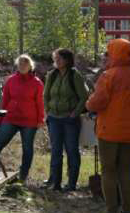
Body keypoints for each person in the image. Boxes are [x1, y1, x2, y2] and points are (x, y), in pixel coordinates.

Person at [86, 38, 130, 213]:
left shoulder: (108, 75)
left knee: (108, 171)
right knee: (124, 172)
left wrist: (88, 103)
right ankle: (128, 208)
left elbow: (97, 102)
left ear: (114, 53)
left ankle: (111, 208)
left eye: (108, 52)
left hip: (109, 131)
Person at [0, 54, 44, 183]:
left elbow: (40, 102)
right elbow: (5, 100)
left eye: (25, 63)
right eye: (20, 63)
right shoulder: (11, 80)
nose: (22, 65)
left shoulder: (37, 83)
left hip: (29, 120)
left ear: (30, 66)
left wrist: (40, 119)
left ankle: (23, 176)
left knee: (27, 148)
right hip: (11, 117)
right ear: (17, 65)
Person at [43, 48, 89, 191]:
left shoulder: (75, 75)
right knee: (56, 150)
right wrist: (48, 111)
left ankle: (71, 184)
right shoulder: (51, 74)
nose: (56, 61)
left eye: (60, 58)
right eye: (55, 58)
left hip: (70, 120)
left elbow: (84, 97)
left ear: (67, 60)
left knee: (71, 150)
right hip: (54, 119)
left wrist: (75, 113)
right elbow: (46, 95)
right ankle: (55, 183)